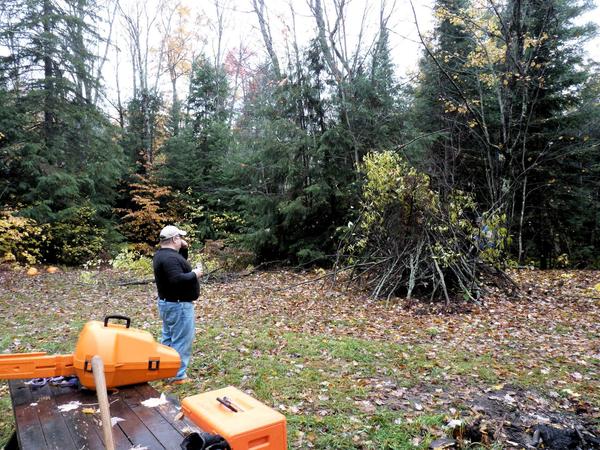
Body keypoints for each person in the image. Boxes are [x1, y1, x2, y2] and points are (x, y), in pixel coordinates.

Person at [153, 225, 203, 385]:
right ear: (174, 239)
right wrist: (195, 273)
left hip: (168, 303)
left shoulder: (162, 255)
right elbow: (177, 279)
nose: (182, 240)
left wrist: (184, 249)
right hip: (179, 305)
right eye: (180, 237)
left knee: (168, 338)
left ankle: (164, 369)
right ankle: (177, 376)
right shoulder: (169, 258)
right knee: (182, 340)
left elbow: (180, 264)